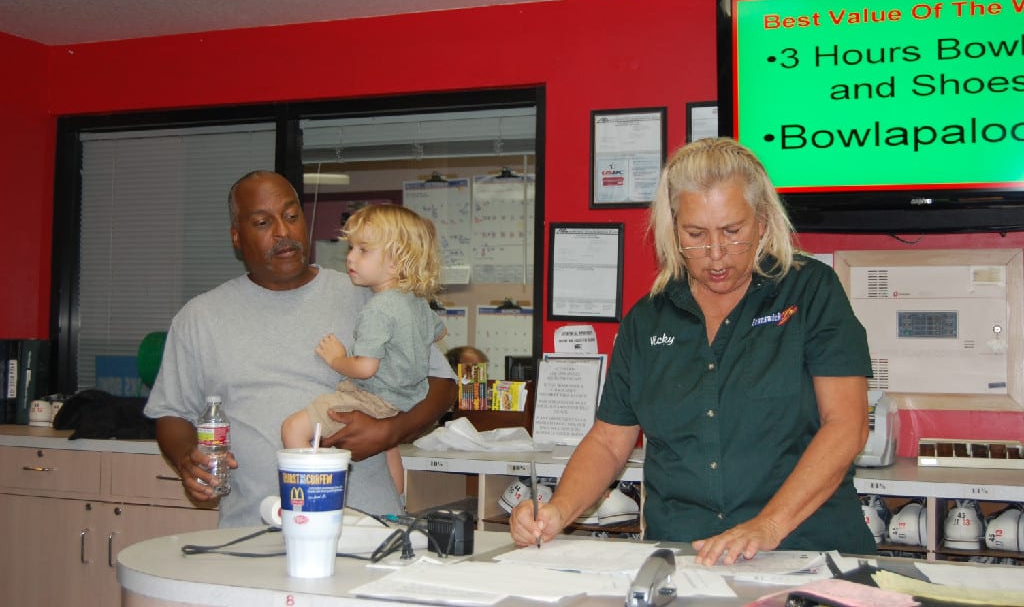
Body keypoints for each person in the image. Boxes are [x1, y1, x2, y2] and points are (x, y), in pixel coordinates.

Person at [510, 137, 875, 563]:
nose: (716, 255)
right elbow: (610, 441)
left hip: (805, 548)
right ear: (673, 230)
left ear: (761, 221)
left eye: (732, 232)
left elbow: (846, 425)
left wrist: (768, 525)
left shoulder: (811, 290)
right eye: (696, 234)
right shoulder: (647, 319)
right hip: (684, 558)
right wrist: (557, 510)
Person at [144, 171, 456, 528]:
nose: (283, 232)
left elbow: (442, 384)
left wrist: (390, 431)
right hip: (255, 528)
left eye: (292, 217)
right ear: (236, 237)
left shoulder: (372, 295)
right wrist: (188, 457)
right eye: (263, 222)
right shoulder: (198, 318)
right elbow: (171, 413)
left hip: (365, 527)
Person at [281, 204, 447, 497]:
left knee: (293, 429)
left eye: (363, 250)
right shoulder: (418, 303)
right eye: (351, 247)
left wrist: (337, 358)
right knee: (389, 445)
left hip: (372, 396)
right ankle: (395, 500)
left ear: (395, 263)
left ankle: (312, 500)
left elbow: (366, 368)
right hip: (406, 398)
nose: (350, 257)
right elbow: (440, 331)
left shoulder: (378, 309)